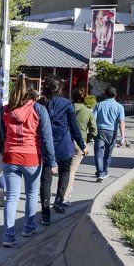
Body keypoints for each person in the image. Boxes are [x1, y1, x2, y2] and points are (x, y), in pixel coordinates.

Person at [0, 74, 57, 247]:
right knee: (31, 194)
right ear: (31, 91)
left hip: (10, 157)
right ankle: (28, 227)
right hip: (32, 158)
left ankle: (8, 236)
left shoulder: (5, 110)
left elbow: (0, 135)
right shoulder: (39, 109)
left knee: (11, 197)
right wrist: (52, 161)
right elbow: (47, 138)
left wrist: (4, 151)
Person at [39, 76, 88, 224]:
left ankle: (45, 215)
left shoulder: (42, 104)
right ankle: (59, 201)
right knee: (65, 172)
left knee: (46, 179)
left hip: (47, 146)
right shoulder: (67, 104)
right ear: (60, 88)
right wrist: (82, 145)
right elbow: (74, 128)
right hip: (65, 146)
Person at [63, 87, 97, 205]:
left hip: (65, 141)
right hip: (80, 143)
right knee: (71, 170)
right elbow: (94, 130)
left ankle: (64, 190)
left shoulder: (66, 108)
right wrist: (88, 138)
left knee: (64, 169)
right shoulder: (88, 111)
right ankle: (65, 196)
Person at [93, 86, 126, 182]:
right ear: (115, 95)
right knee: (108, 153)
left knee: (98, 153)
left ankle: (100, 173)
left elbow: (93, 119)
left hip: (100, 131)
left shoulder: (99, 105)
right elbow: (121, 122)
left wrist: (91, 132)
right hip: (112, 132)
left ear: (105, 94)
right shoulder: (120, 107)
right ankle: (104, 171)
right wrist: (123, 137)